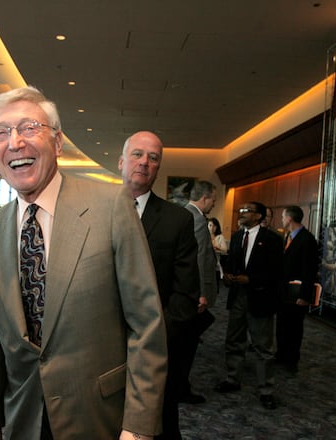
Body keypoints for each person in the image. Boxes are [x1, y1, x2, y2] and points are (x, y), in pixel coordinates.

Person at [0, 87, 167, 440]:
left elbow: (147, 325)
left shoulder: (111, 207)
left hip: (98, 417)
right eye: (1, 133)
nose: (14, 143)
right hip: (21, 418)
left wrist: (138, 427)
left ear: (58, 142)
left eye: (29, 128)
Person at [119, 131, 199, 438]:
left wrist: (155, 340)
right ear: (122, 161)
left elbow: (185, 294)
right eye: (138, 154)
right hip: (97, 348)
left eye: (154, 158)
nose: (145, 163)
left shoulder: (177, 220)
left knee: (157, 426)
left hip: (153, 348)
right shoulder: (93, 212)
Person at [215, 201, 283, 410]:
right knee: (234, 340)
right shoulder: (236, 236)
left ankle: (266, 390)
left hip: (260, 297)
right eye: (241, 210)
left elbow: (277, 271)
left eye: (247, 211)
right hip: (237, 297)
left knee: (263, 347)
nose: (242, 213)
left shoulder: (272, 239)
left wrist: (252, 280)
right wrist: (227, 275)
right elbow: (231, 263)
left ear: (259, 216)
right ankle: (232, 379)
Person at [182, 180, 220, 402]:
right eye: (213, 200)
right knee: (187, 343)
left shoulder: (188, 214)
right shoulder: (195, 218)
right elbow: (195, 260)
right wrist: (199, 294)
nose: (213, 204)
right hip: (193, 295)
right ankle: (181, 387)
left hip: (191, 293)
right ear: (204, 198)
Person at [275, 206, 319, 374]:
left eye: (283, 216)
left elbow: (310, 270)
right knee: (282, 324)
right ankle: (281, 354)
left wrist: (304, 295)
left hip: (297, 294)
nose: (281, 219)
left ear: (290, 219)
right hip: (284, 292)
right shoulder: (288, 237)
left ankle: (292, 360)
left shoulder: (307, 240)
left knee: (294, 327)